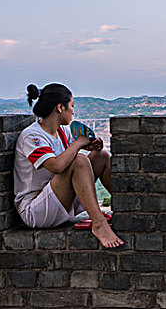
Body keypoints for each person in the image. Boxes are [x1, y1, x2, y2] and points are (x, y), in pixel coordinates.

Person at [13, 83, 123, 248]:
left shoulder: (61, 132)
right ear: (60, 107)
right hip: (36, 210)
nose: (73, 111)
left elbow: (74, 151)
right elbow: (56, 166)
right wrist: (79, 143)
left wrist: (93, 146)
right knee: (79, 161)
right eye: (71, 106)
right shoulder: (32, 136)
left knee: (101, 157)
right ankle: (99, 224)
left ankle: (125, 210)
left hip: (59, 201)